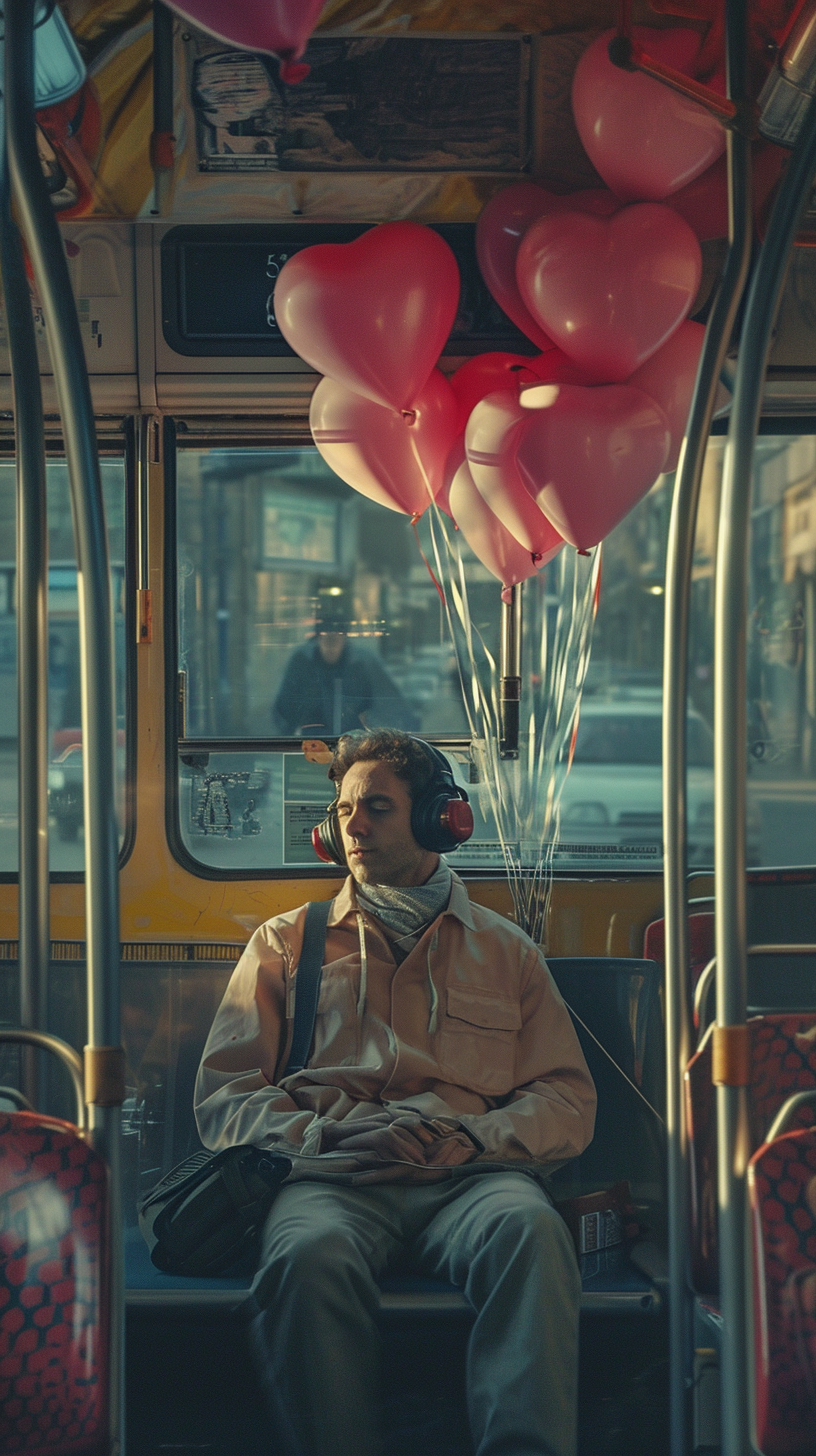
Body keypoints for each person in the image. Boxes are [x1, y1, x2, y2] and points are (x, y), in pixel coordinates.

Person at [195, 729, 596, 1456]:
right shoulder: (285, 945)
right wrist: (326, 1137)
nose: (352, 826)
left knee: (532, 1234)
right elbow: (225, 1095)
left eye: (376, 807)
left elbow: (565, 1100)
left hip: (469, 1177)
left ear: (439, 819)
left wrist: (472, 1139)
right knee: (304, 1255)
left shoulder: (507, 952)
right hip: (334, 1173)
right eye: (344, 809)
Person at [272, 583, 418, 736]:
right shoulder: (302, 663)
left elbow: (390, 704)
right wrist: (291, 740)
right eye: (326, 638)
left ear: (345, 639)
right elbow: (283, 708)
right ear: (318, 639)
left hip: (354, 747)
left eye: (336, 638)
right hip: (313, 747)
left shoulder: (363, 664)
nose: (331, 644)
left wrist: (375, 734)